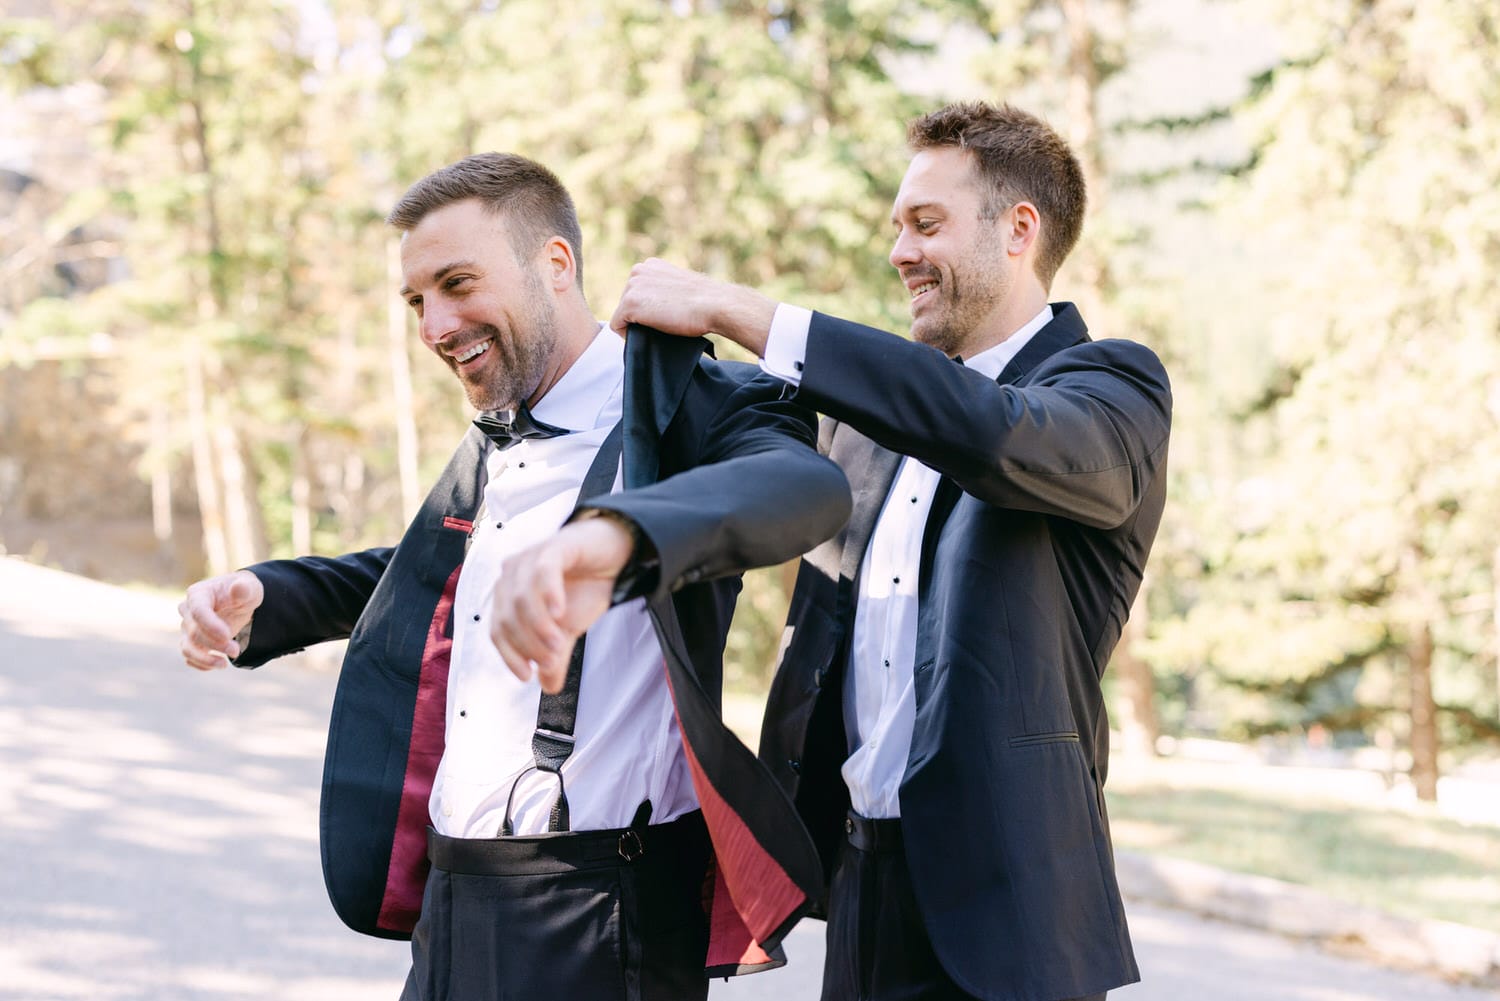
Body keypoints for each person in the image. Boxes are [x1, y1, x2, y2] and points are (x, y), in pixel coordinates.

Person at [176, 152, 851, 1001]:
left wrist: (616, 538)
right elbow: (427, 575)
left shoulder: (708, 404)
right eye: (418, 300)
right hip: (455, 899)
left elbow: (802, 489)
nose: (433, 325)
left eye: (457, 283)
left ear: (555, 266)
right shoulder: (497, 434)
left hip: (600, 907)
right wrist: (268, 597)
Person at [609, 102, 1172, 1001]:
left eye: (926, 224)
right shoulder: (868, 422)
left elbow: (991, 434)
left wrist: (742, 309)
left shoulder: (1111, 391)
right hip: (864, 889)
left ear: (1019, 229)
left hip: (1011, 920)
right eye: (895, 227)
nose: (899, 251)